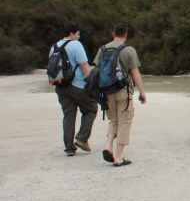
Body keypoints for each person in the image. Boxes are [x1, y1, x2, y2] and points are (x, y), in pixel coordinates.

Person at [93, 24, 146, 167]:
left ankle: (108, 146)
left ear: (113, 33)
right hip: (123, 91)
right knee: (125, 121)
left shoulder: (102, 49)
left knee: (113, 120)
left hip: (107, 91)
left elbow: (97, 71)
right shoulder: (129, 50)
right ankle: (118, 157)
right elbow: (135, 73)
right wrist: (142, 92)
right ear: (126, 34)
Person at [51, 24, 96, 156]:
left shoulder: (54, 46)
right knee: (91, 108)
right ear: (72, 33)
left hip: (60, 86)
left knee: (68, 115)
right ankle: (82, 139)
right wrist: (91, 84)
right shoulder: (76, 45)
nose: (79, 36)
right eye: (78, 34)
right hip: (77, 86)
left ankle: (69, 148)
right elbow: (84, 67)